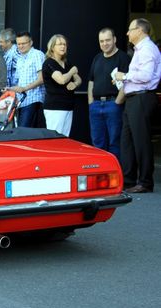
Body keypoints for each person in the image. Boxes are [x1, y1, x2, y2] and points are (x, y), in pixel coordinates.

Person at [115, 18, 161, 193]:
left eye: (130, 30)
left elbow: (146, 76)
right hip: (134, 98)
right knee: (127, 141)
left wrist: (124, 77)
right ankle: (129, 179)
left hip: (142, 98)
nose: (127, 33)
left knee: (141, 141)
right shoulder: (141, 49)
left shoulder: (148, 49)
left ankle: (145, 182)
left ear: (140, 31)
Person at [87, 27, 130, 159]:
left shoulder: (123, 58)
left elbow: (128, 81)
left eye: (107, 40)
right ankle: (100, 172)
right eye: (101, 41)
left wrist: (118, 102)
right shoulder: (97, 58)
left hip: (114, 105)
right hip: (95, 105)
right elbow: (91, 82)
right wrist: (91, 102)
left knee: (114, 142)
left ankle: (114, 175)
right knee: (97, 143)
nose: (104, 43)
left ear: (114, 40)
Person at [42, 34, 82, 136]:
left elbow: (79, 79)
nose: (63, 46)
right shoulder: (49, 63)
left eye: (64, 44)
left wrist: (75, 83)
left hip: (68, 106)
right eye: (59, 44)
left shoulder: (66, 63)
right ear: (52, 47)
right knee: (54, 139)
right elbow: (61, 80)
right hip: (55, 108)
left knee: (65, 139)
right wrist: (72, 71)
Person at [10, 31, 45, 127]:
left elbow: (42, 79)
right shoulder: (20, 59)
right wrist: (10, 89)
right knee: (21, 131)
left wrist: (24, 89)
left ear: (31, 42)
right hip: (21, 102)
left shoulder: (37, 54)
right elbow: (19, 83)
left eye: (23, 43)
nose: (20, 46)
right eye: (18, 44)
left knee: (24, 132)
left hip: (33, 100)